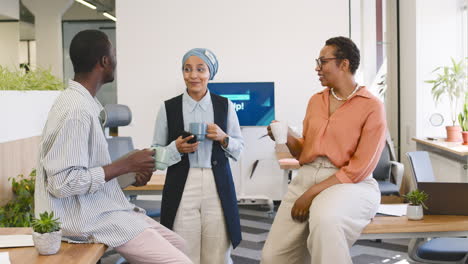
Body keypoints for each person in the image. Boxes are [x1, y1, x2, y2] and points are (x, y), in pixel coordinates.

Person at [35, 30, 192, 264]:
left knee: (180, 245)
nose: (116, 59)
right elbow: (62, 183)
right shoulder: (76, 111)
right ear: (105, 61)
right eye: (114, 53)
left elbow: (89, 173)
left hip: (104, 207)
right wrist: (124, 165)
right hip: (85, 219)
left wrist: (129, 175)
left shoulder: (87, 104)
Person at [261, 36, 386, 264]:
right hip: (307, 176)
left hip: (349, 183)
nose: (317, 68)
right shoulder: (316, 101)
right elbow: (304, 154)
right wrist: (287, 137)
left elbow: (358, 170)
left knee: (326, 221)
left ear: (344, 64)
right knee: (272, 258)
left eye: (322, 61)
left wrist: (310, 195)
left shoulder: (371, 106)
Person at [152, 48, 244, 264]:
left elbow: (240, 148)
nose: (193, 75)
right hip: (183, 184)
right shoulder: (168, 107)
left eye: (200, 69)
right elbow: (155, 154)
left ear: (210, 74)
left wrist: (224, 138)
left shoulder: (225, 105)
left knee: (218, 251)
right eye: (187, 69)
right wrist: (175, 148)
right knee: (184, 250)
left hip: (217, 183)